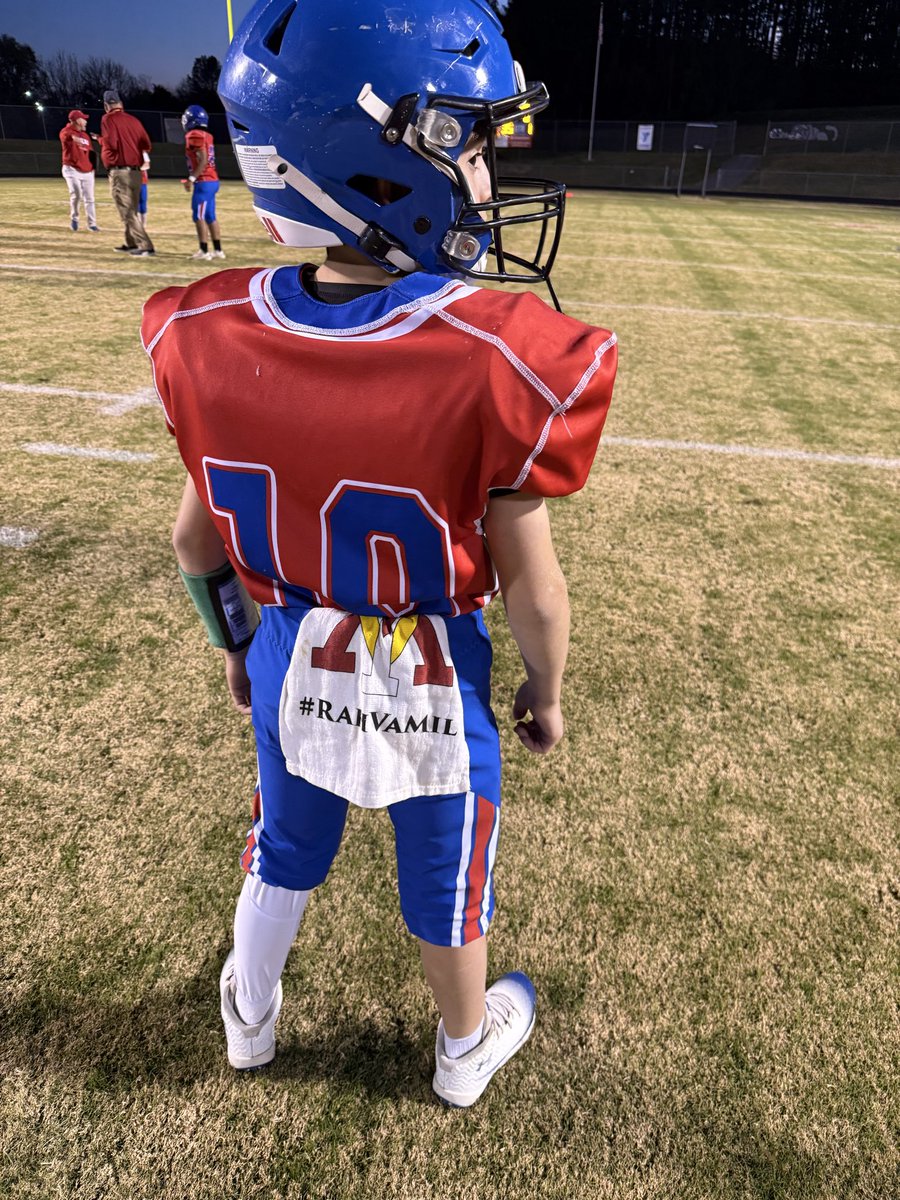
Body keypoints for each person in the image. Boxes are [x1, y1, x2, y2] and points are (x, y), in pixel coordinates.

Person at [141, 0, 617, 1108]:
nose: (489, 181)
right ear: (374, 160)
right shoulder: (490, 357)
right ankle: (461, 1046)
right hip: (433, 667)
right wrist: (547, 692)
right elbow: (535, 593)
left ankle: (249, 1019)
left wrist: (232, 643)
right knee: (447, 872)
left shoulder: (209, 334)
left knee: (282, 842)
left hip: (289, 648)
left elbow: (190, 540)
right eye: (468, 144)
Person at [100, 89, 155, 257]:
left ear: (106, 106)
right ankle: (131, 243)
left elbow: (112, 143)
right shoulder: (134, 120)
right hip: (137, 174)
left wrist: (104, 148)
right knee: (132, 210)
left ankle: (145, 245)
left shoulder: (108, 119)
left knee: (127, 212)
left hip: (120, 172)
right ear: (121, 104)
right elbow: (146, 144)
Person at [181, 105, 225, 261]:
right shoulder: (207, 135)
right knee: (210, 216)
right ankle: (218, 250)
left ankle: (204, 251)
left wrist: (191, 179)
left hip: (204, 181)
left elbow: (203, 160)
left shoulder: (194, 135)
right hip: (213, 180)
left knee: (198, 215)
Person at [59, 109, 99, 232]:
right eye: (84, 119)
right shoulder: (66, 131)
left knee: (90, 198)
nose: (86, 121)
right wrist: (73, 136)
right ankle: (74, 219)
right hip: (71, 169)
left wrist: (92, 167)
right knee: (77, 194)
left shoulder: (86, 136)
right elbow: (65, 137)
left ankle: (92, 224)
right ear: (77, 120)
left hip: (87, 170)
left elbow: (90, 152)